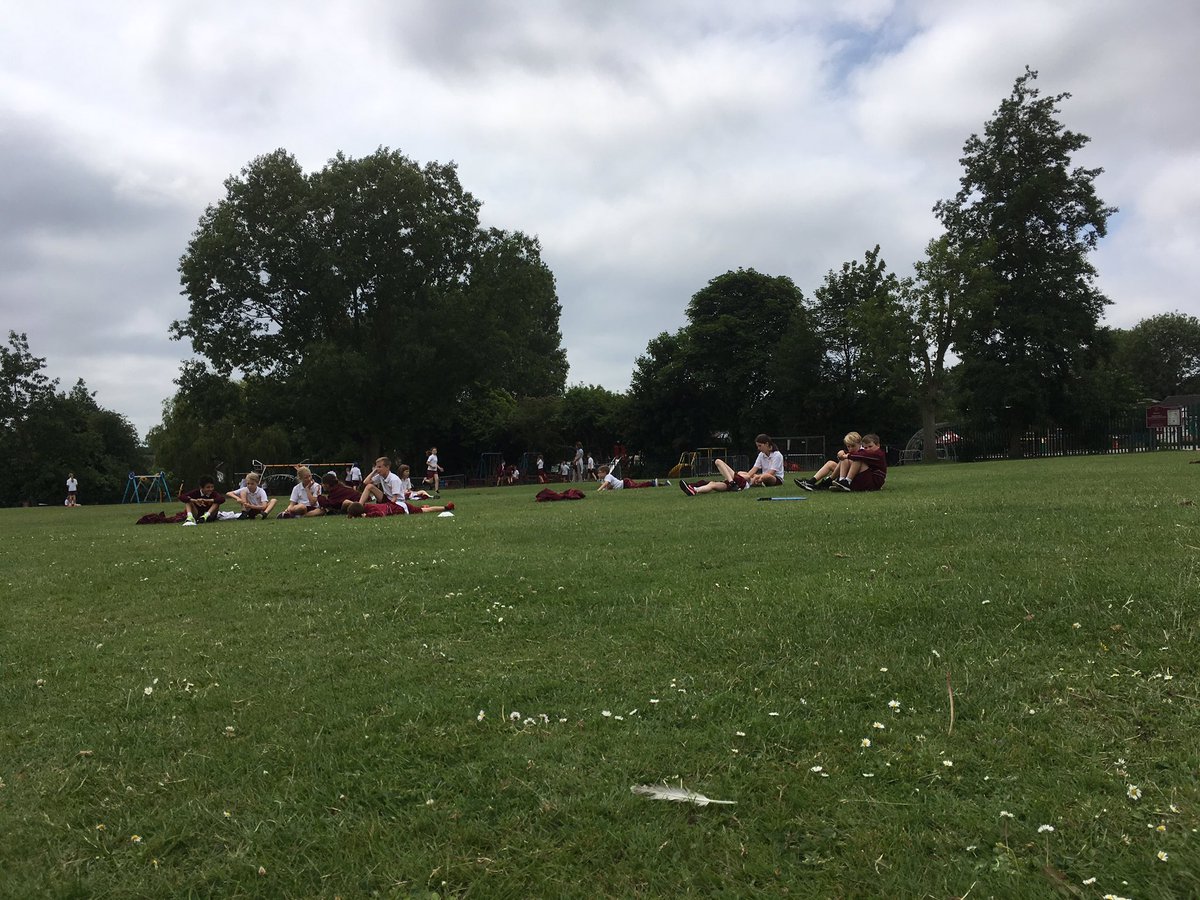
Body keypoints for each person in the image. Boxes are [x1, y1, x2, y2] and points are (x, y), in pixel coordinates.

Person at [795, 432, 862, 490]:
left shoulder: (864, 452)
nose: (850, 449)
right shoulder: (851, 452)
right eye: (848, 446)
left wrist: (844, 455)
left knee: (844, 460)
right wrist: (842, 453)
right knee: (830, 463)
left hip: (856, 475)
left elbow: (857, 458)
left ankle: (832, 482)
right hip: (849, 473)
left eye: (853, 446)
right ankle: (811, 482)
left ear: (860, 443)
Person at [678, 457, 750, 496]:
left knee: (718, 461)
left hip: (739, 482)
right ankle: (695, 490)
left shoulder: (745, 476)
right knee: (712, 484)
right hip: (732, 485)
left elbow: (748, 477)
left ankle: (732, 482)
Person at [595, 465, 668, 491]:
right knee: (638, 486)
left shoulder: (608, 476)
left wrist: (599, 490)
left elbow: (606, 484)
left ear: (604, 472)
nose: (598, 474)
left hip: (625, 483)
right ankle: (661, 484)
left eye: (599, 472)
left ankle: (652, 482)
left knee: (637, 486)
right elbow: (609, 487)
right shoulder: (605, 479)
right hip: (624, 485)